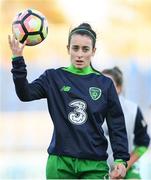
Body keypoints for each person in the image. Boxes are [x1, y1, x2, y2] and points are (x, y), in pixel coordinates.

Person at [8, 23, 130, 179]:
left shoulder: (104, 84)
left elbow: (116, 124)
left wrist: (121, 159)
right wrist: (17, 60)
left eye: (85, 49)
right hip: (60, 162)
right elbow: (25, 94)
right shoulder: (53, 78)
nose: (79, 54)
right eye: (75, 48)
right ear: (68, 49)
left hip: (94, 164)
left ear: (93, 51)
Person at [102, 66, 150, 179]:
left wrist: (125, 167)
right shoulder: (88, 110)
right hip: (97, 169)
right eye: (99, 84)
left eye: (108, 84)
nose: (103, 88)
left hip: (127, 170)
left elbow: (143, 143)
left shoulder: (133, 110)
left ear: (119, 88)